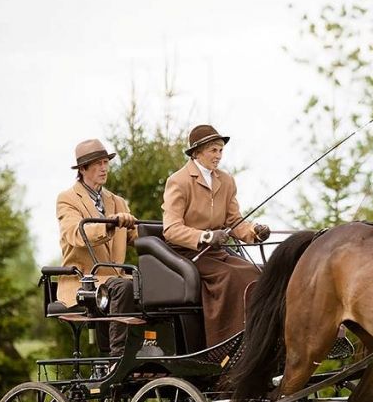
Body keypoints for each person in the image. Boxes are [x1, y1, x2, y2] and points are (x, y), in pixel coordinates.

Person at [162, 124, 270, 347]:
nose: (219, 155)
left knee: (257, 273)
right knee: (232, 276)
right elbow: (171, 229)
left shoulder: (226, 181)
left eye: (221, 150)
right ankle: (227, 345)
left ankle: (257, 337)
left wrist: (254, 232)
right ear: (196, 152)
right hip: (185, 253)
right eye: (213, 150)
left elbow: (234, 221)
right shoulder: (179, 181)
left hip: (215, 252)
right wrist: (205, 237)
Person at [56, 138, 138, 356]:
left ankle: (146, 355)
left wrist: (169, 238)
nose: (104, 168)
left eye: (106, 162)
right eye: (98, 164)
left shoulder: (117, 201)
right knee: (124, 287)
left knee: (152, 286)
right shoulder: (68, 199)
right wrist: (109, 225)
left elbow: (136, 237)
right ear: (83, 169)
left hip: (114, 281)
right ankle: (118, 357)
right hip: (84, 280)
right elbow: (75, 233)